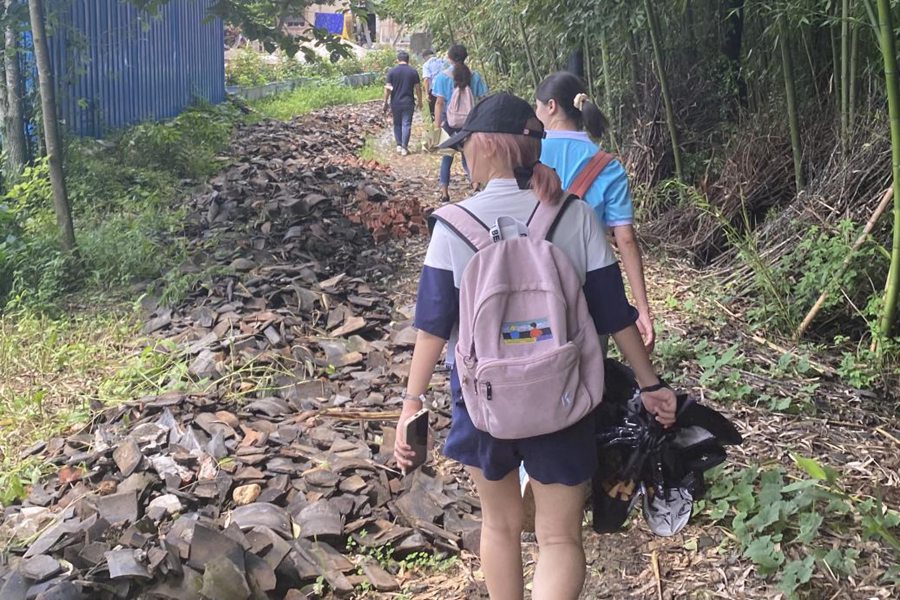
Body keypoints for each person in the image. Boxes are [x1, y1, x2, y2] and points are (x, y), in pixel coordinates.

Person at [393, 93, 676, 600]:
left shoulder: (453, 226)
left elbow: (433, 328)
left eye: (466, 147)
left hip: (483, 401)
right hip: (564, 396)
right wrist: (651, 385)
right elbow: (615, 315)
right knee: (559, 537)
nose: (464, 157)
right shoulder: (576, 217)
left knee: (499, 527)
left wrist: (411, 404)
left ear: (487, 147)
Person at [535, 71, 655, 353]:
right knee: (591, 372)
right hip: (590, 285)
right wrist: (642, 309)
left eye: (537, 106)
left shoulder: (530, 151)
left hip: (535, 278)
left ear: (551, 106)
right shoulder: (608, 166)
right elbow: (625, 239)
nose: (536, 113)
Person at [431, 44, 488, 203]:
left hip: (448, 122)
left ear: (449, 58)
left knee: (447, 157)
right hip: (470, 123)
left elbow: (439, 103)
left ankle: (444, 193)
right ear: (465, 57)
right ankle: (475, 186)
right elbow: (483, 99)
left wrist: (436, 127)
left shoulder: (442, 78)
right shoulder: (474, 76)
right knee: (469, 155)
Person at [384, 50, 422, 156]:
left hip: (395, 102)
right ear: (408, 60)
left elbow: (387, 89)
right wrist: (420, 101)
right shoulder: (413, 71)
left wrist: (385, 102)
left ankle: (399, 145)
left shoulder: (392, 71)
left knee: (397, 123)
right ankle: (405, 147)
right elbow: (418, 88)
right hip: (408, 102)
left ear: (398, 60)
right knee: (406, 124)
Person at [421, 48, 447, 122]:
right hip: (446, 88)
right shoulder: (442, 61)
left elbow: (426, 79)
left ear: (425, 57)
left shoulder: (426, 65)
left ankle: (437, 127)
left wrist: (426, 94)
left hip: (434, 90)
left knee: (435, 112)